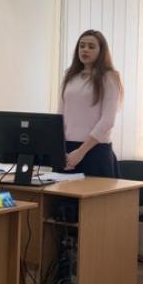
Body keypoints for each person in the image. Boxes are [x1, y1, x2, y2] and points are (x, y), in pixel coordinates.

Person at [58, 30, 123, 178]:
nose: (85, 50)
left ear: (101, 51)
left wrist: (81, 152)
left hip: (95, 149)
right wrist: (59, 150)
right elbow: (60, 115)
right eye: (82, 46)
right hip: (67, 150)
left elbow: (107, 121)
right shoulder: (70, 75)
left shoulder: (110, 77)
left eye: (91, 46)